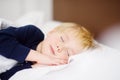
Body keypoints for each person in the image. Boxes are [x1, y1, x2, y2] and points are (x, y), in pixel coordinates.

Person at [0, 22, 94, 80]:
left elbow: (5, 77)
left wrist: (35, 66)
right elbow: (2, 39)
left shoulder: (42, 68)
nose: (60, 47)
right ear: (51, 32)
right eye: (62, 39)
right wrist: (40, 57)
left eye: (68, 52)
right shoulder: (33, 33)